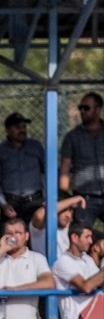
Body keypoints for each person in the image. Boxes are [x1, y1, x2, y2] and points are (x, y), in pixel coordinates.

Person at [58, 92, 104, 229]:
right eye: (80, 108)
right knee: (80, 234)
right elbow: (65, 169)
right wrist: (64, 197)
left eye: (86, 108)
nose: (82, 111)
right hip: (84, 198)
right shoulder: (72, 137)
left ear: (98, 109)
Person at [0, 113, 45, 224]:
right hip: (11, 204)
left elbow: (49, 172)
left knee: (36, 238)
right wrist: (3, 204)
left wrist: (49, 199)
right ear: (7, 130)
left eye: (24, 127)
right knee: (10, 238)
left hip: (35, 202)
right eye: (17, 127)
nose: (22, 130)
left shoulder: (36, 146)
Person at [52, 221, 104, 319]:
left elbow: (99, 282)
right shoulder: (63, 262)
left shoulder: (88, 259)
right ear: (74, 238)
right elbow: (86, 286)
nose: (91, 241)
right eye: (87, 237)